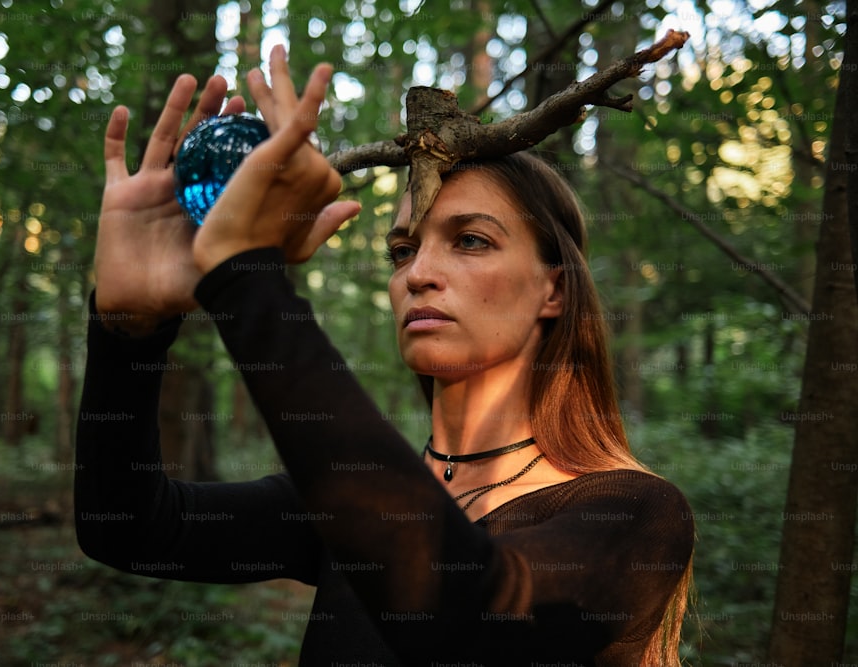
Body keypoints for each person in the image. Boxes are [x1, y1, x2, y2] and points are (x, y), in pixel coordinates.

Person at [75, 45, 695, 666]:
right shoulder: (347, 502)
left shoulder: (635, 514)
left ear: (554, 288)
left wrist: (243, 275)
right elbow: (127, 524)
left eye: (471, 240)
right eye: (402, 250)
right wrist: (128, 331)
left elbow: (460, 609)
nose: (419, 273)